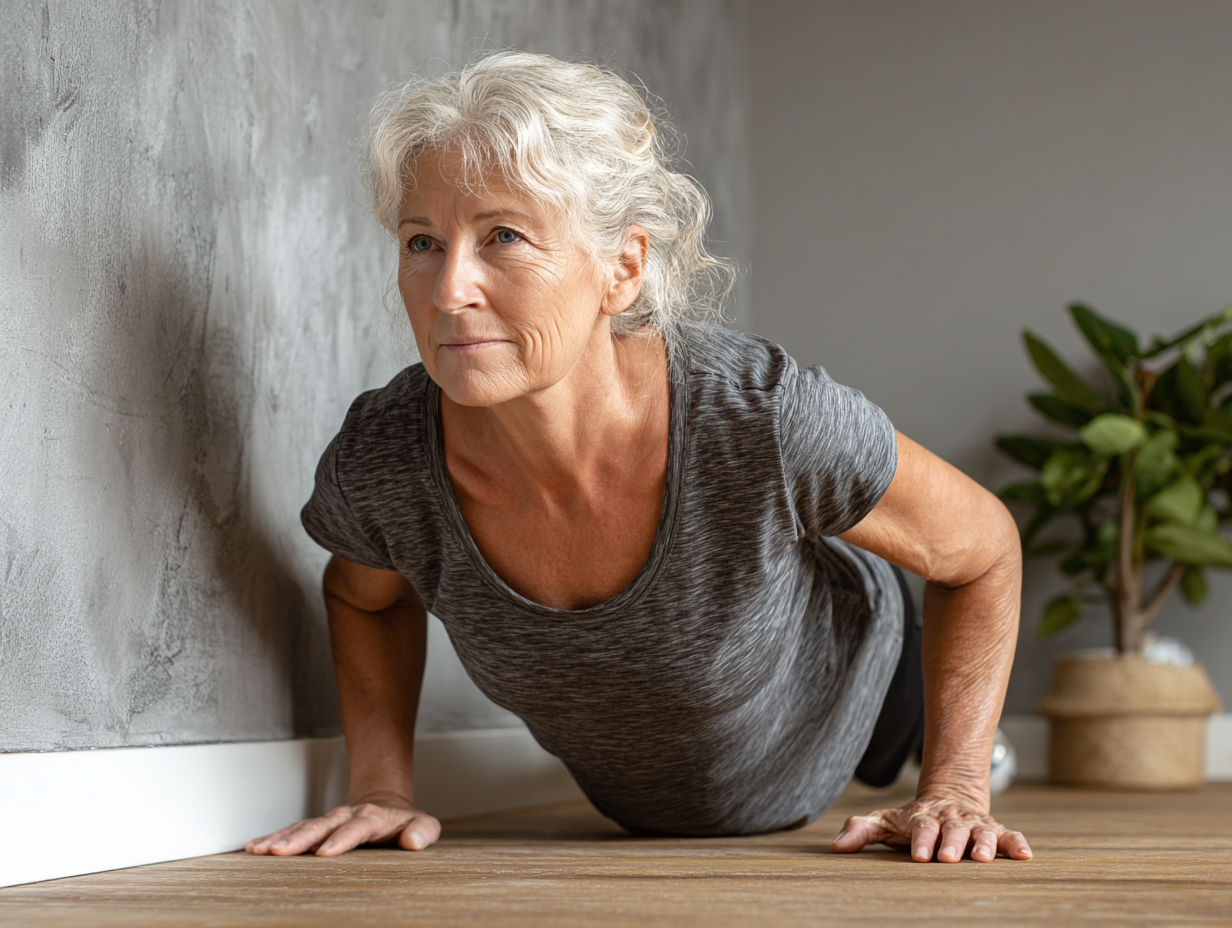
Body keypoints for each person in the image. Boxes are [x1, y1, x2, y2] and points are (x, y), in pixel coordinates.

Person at [246, 51, 1032, 865]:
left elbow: (981, 551)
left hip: (854, 682)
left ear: (623, 268)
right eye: (422, 242)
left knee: (925, 746)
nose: (449, 291)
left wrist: (957, 785)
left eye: (504, 236)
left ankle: (972, 747)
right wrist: (381, 788)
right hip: (658, 797)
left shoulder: (764, 418)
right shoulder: (386, 462)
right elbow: (366, 599)